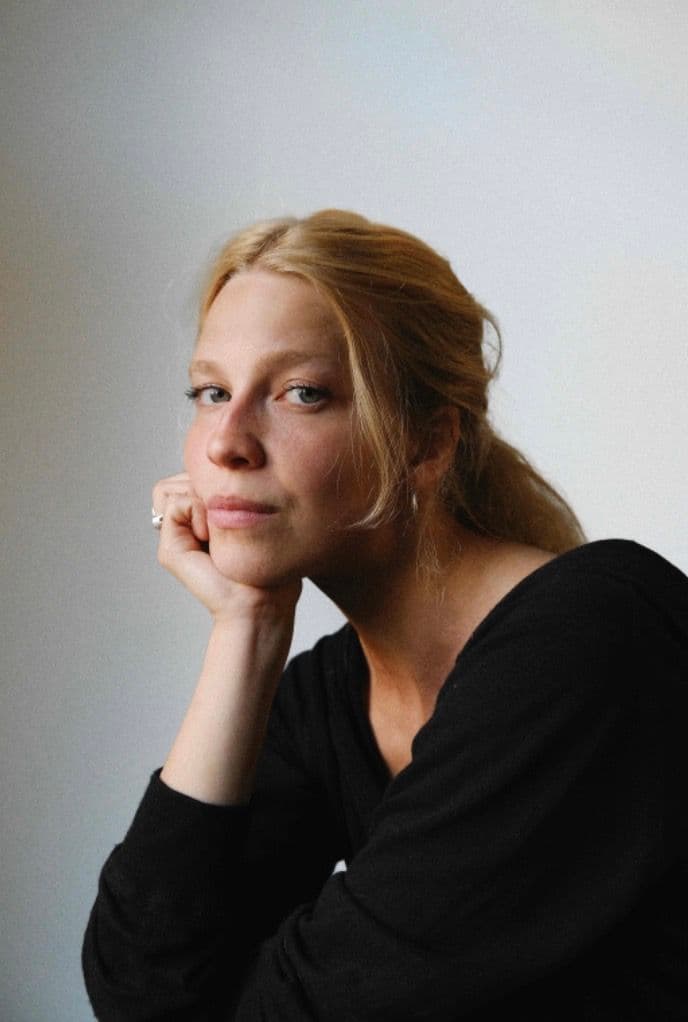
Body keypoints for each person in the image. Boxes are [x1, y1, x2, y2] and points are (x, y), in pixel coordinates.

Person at [82, 210, 688, 1021]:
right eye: (211, 391)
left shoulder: (588, 641)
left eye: (301, 394)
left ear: (425, 444)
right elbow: (140, 992)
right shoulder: (330, 696)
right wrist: (247, 629)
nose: (226, 442)